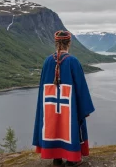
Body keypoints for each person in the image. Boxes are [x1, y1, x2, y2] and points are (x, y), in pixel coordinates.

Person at [33, 30, 95, 167]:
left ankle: (56, 158)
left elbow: (43, 85)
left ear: (55, 43)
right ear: (69, 43)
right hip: (69, 105)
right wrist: (85, 107)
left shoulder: (47, 61)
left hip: (49, 104)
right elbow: (80, 86)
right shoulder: (73, 61)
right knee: (71, 125)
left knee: (53, 125)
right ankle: (72, 159)